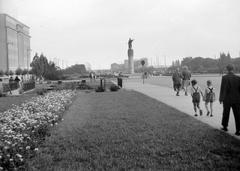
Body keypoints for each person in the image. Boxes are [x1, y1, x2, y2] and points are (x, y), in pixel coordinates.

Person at [219, 63, 240, 136]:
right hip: (237, 99)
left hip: (227, 99)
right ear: (233, 69)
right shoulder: (238, 78)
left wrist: (221, 99)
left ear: (227, 69)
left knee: (226, 113)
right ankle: (238, 130)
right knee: (238, 115)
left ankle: (225, 126)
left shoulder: (225, 77)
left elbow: (223, 89)